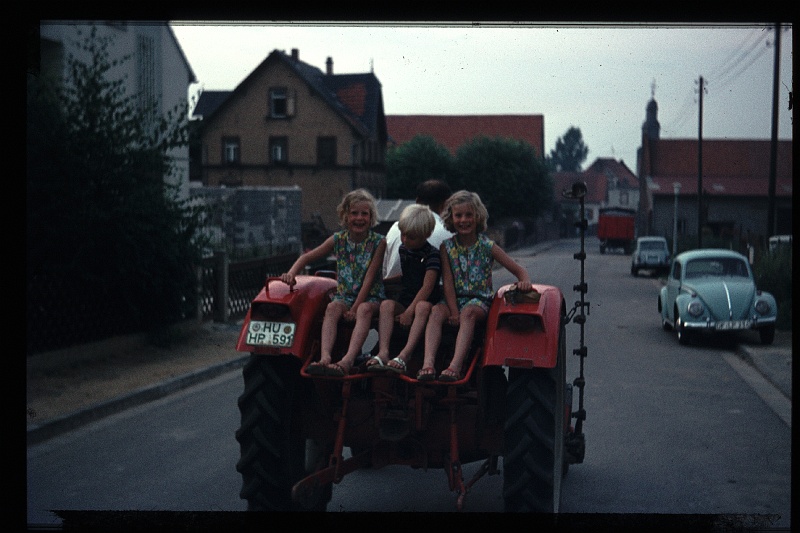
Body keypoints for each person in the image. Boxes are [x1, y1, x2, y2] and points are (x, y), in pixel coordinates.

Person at [418, 190, 532, 382]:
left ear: (477, 217)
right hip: (453, 299)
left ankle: (455, 366)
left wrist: (524, 280)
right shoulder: (447, 247)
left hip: (478, 301)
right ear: (451, 218)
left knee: (468, 313)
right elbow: (447, 282)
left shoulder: (487, 246)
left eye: (468, 215)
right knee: (436, 311)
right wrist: (453, 311)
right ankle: (428, 365)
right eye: (458, 215)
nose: (464, 220)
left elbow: (519, 270)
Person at [280, 189, 386, 377]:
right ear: (345, 215)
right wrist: (291, 273)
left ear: (371, 217)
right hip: (344, 295)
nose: (359, 218)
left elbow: (370, 278)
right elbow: (306, 258)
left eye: (364, 214)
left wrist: (354, 307)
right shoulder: (338, 240)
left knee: (364, 311)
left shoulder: (378, 242)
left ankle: (348, 359)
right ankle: (325, 357)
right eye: (354, 213)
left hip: (370, 296)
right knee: (332, 308)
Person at [366, 204, 442, 375]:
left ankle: (405, 354)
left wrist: (408, 312)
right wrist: (383, 282)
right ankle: (384, 352)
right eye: (403, 234)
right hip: (407, 299)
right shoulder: (404, 249)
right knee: (386, 305)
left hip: (425, 301)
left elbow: (427, 286)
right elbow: (406, 277)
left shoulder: (432, 255)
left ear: (426, 235)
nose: (405, 239)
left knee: (422, 307)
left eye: (411, 237)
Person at [383, 179, 453, 284]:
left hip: (393, 292)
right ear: (445, 204)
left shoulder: (396, 227)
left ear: (417, 201)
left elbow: (385, 269)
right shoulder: (448, 232)